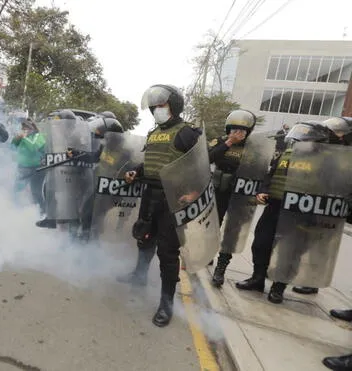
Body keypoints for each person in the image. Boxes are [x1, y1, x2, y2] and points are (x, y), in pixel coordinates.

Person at [122, 84, 202, 327]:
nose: (157, 109)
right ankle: (138, 276)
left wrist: (193, 192)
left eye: (162, 105)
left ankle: (166, 303)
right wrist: (135, 171)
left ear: (174, 106)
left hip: (173, 199)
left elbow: (201, 167)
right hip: (150, 194)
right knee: (144, 237)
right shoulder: (154, 133)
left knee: (168, 252)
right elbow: (151, 164)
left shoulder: (188, 133)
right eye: (155, 106)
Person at [235, 121, 335, 303]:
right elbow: (271, 174)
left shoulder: (325, 161)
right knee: (261, 243)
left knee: (289, 251)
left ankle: (278, 288)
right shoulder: (287, 153)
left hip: (300, 212)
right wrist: (263, 190)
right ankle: (257, 279)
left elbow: (329, 187)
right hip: (274, 206)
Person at [207, 110, 254, 287]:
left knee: (232, 232)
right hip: (219, 190)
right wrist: (228, 143)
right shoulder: (220, 141)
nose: (237, 133)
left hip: (239, 193)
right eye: (234, 129)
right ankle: (207, 255)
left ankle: (221, 268)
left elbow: (258, 170)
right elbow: (209, 157)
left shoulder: (253, 147)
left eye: (242, 130)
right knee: (212, 225)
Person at [12, 118, 46, 212]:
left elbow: (33, 147)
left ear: (33, 128)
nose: (25, 129)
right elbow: (12, 146)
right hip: (22, 167)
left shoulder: (38, 136)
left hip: (37, 168)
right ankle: (15, 211)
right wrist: (16, 139)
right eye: (23, 127)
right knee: (16, 191)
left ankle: (42, 214)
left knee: (36, 192)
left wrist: (24, 137)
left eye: (27, 127)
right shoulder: (24, 136)